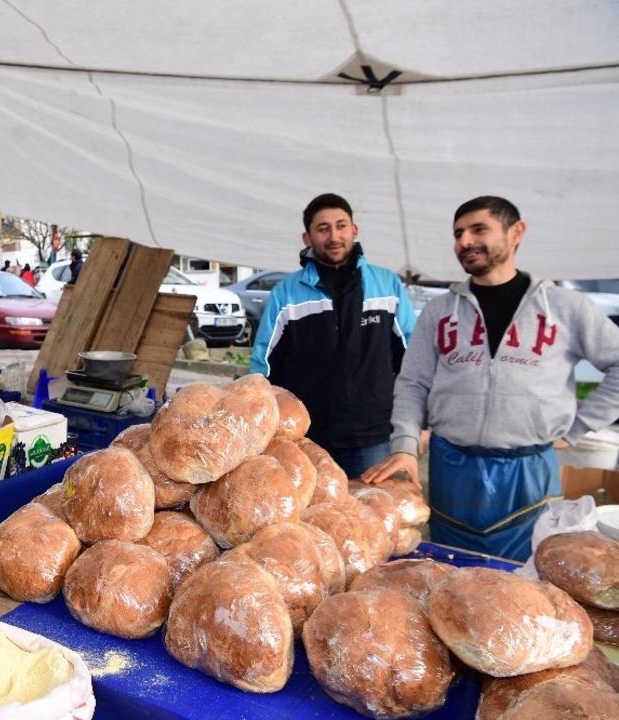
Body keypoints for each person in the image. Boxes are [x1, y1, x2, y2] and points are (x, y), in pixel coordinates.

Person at [362, 196, 619, 561]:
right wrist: (404, 443)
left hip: (528, 470)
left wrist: (577, 427)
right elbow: (412, 383)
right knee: (451, 573)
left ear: (517, 232)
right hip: (453, 465)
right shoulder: (439, 311)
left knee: (527, 576)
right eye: (458, 233)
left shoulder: (564, 308)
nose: (464, 241)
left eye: (478, 229)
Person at [249, 193, 417, 478]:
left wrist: (414, 424)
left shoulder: (387, 286)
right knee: (306, 517)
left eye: (341, 226)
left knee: (368, 517)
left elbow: (412, 361)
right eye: (323, 228)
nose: (334, 236)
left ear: (354, 230)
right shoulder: (287, 293)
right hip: (306, 438)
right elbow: (262, 367)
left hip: (372, 435)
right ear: (308, 238)